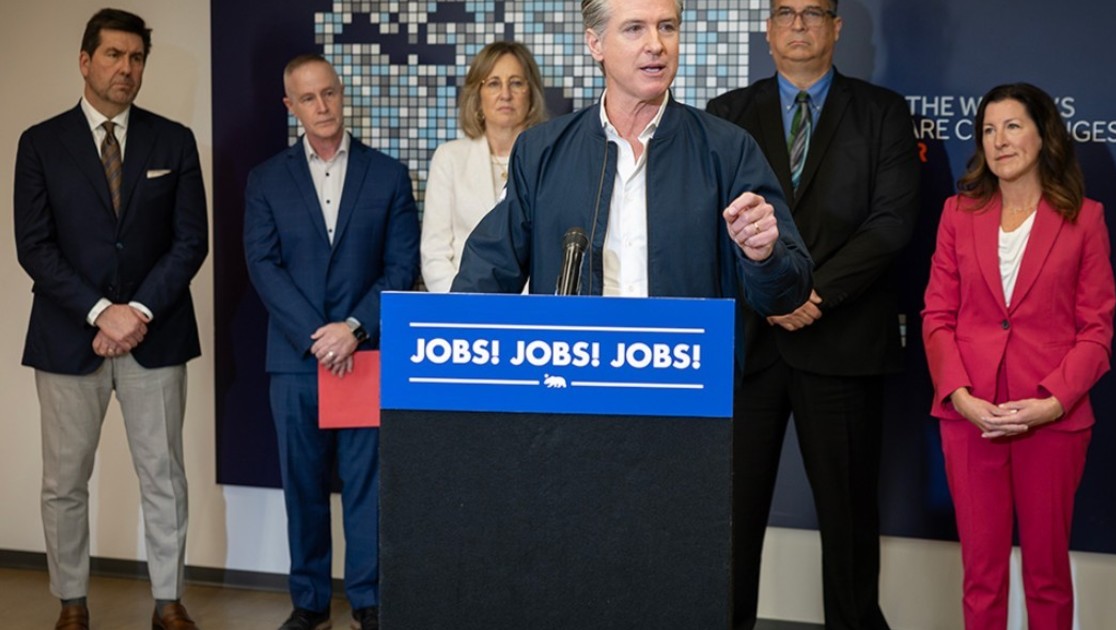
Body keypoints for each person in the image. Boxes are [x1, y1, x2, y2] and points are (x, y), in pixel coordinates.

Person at [705, 1, 919, 627]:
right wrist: (773, 295)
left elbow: (890, 223)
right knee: (729, 525)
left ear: (837, 28)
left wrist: (808, 294)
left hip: (844, 344)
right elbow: (709, 223)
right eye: (785, 12)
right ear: (769, 30)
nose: (799, 25)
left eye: (814, 12)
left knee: (849, 527)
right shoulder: (726, 113)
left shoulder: (882, 113)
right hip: (749, 349)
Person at [13, 9, 207, 630]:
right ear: (85, 61)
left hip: (157, 332)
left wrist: (137, 311)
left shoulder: (174, 140)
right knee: (64, 483)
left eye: (136, 58)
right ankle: (71, 602)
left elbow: (191, 241)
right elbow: (34, 246)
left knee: (164, 477)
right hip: (68, 337)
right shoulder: (40, 143)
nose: (126, 68)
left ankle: (168, 601)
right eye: (114, 55)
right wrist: (101, 312)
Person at [451, 0, 812, 325]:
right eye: (634, 28)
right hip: (574, 369)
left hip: (685, 371)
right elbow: (486, 273)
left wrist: (764, 257)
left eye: (666, 27)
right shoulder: (540, 151)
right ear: (595, 44)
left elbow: (787, 294)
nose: (656, 44)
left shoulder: (729, 149)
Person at [922, 83, 1115, 630]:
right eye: (988, 130)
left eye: (1012, 126)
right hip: (970, 419)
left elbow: (1097, 331)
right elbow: (937, 316)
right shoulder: (957, 214)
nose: (999, 141)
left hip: (1051, 422)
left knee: (1047, 576)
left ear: (1043, 134)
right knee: (981, 575)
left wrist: (1052, 403)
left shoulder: (1085, 219)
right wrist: (961, 398)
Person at [243, 54, 420, 630]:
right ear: (290, 106)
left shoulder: (387, 175)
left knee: (368, 485)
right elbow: (262, 265)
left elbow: (400, 267)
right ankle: (310, 602)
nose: (322, 107)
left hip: (364, 354)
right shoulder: (266, 179)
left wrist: (354, 329)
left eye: (329, 93)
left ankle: (368, 600)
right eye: (308, 98)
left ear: (342, 94)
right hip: (296, 360)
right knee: (303, 486)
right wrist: (317, 336)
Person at [421, 41, 548, 292]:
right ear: (477, 96)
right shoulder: (449, 158)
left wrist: (527, 308)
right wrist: (464, 305)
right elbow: (434, 254)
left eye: (516, 83)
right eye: (493, 83)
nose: (505, 94)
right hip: (461, 304)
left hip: (532, 308)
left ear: (531, 94)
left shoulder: (550, 160)